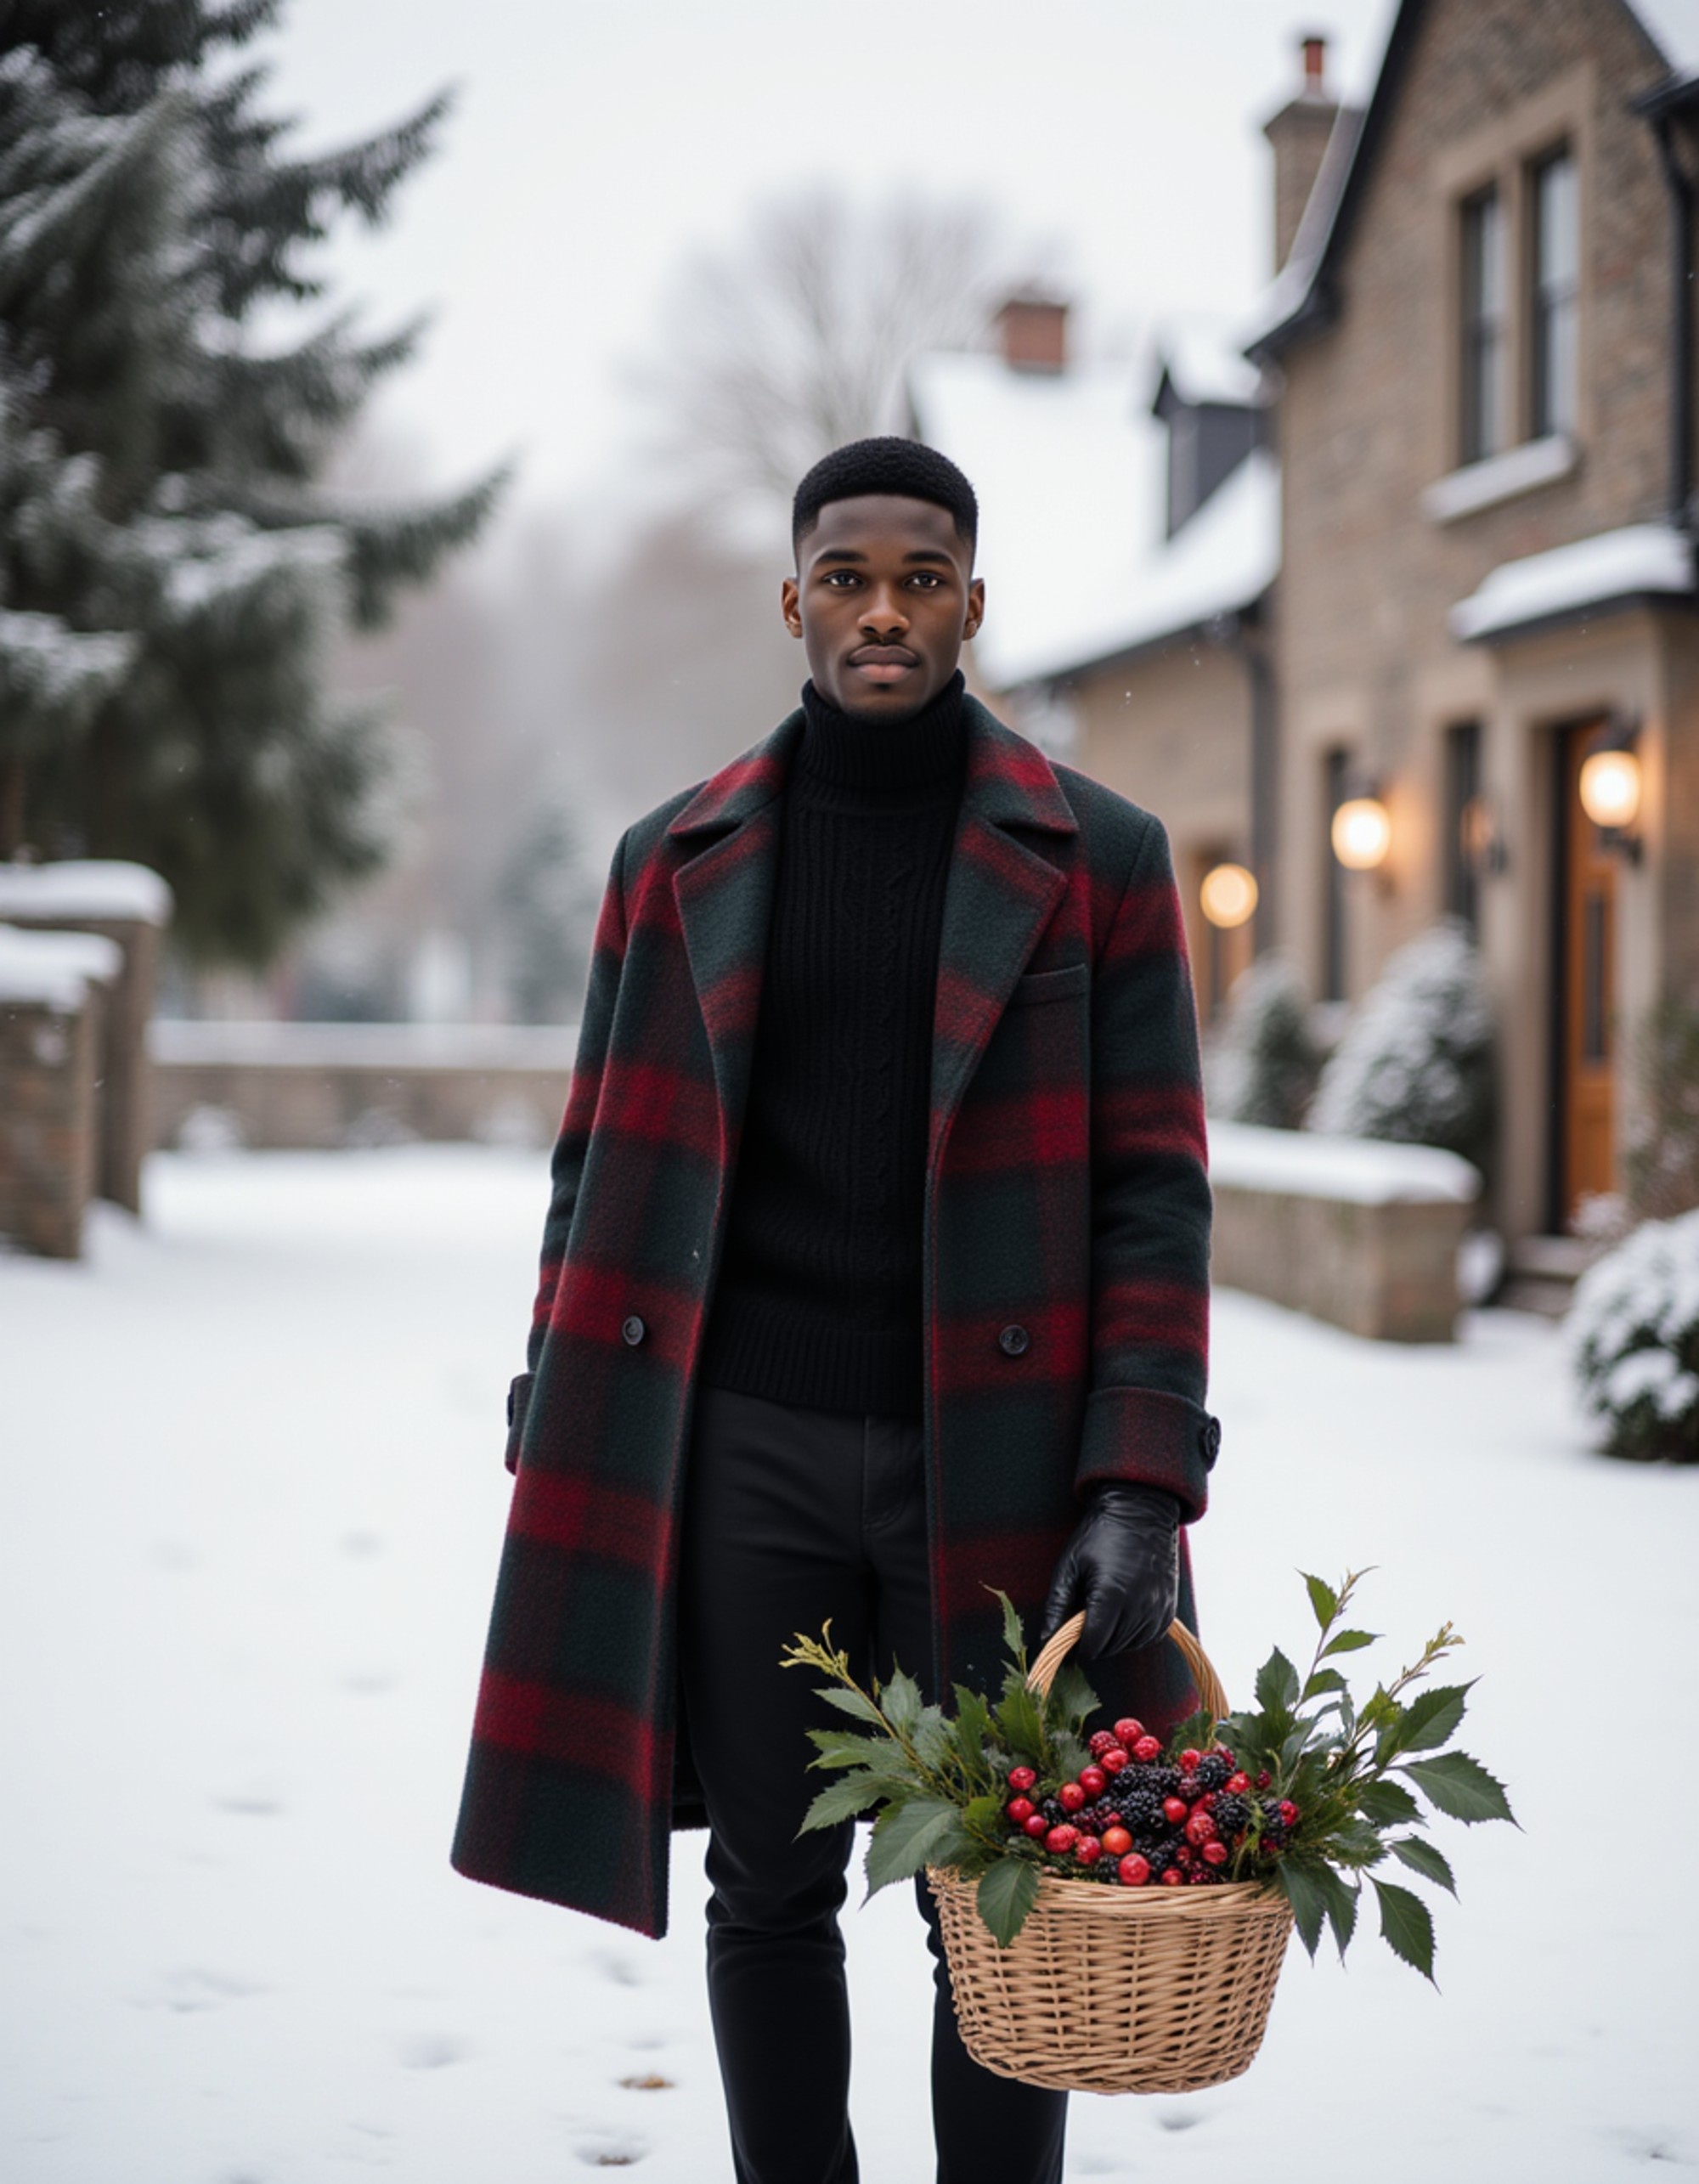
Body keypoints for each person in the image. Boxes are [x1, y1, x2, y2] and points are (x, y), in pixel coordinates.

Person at [453, 437, 1219, 2184]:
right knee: (770, 1882)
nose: (884, 608)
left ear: (970, 600)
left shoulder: (1097, 855)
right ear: (791, 598)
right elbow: (597, 1163)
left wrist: (1135, 1481)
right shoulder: (676, 857)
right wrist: (556, 1390)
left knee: (998, 1889)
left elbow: (1155, 1191)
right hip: (745, 1454)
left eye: (921, 575)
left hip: (1003, 1460)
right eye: (849, 575)